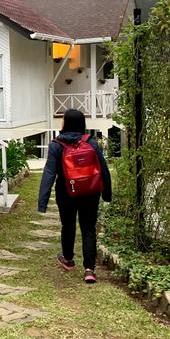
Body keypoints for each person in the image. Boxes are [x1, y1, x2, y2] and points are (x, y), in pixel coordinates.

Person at [38, 109, 112, 284]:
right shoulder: (91, 142)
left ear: (65, 123)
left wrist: (43, 202)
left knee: (68, 225)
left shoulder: (56, 145)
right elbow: (103, 169)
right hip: (90, 192)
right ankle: (89, 270)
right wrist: (107, 194)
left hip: (66, 193)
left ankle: (68, 258)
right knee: (88, 228)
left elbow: (49, 173)